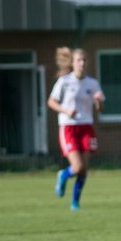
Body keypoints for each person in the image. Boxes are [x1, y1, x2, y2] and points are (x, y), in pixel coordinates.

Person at [47, 47, 104, 211]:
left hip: (86, 127)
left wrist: (98, 101)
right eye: (79, 60)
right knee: (77, 167)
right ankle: (63, 175)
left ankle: (75, 203)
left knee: (84, 170)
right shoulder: (64, 82)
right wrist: (66, 111)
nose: (82, 63)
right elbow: (51, 102)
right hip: (68, 127)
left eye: (85, 60)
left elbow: (100, 108)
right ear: (72, 63)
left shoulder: (92, 83)